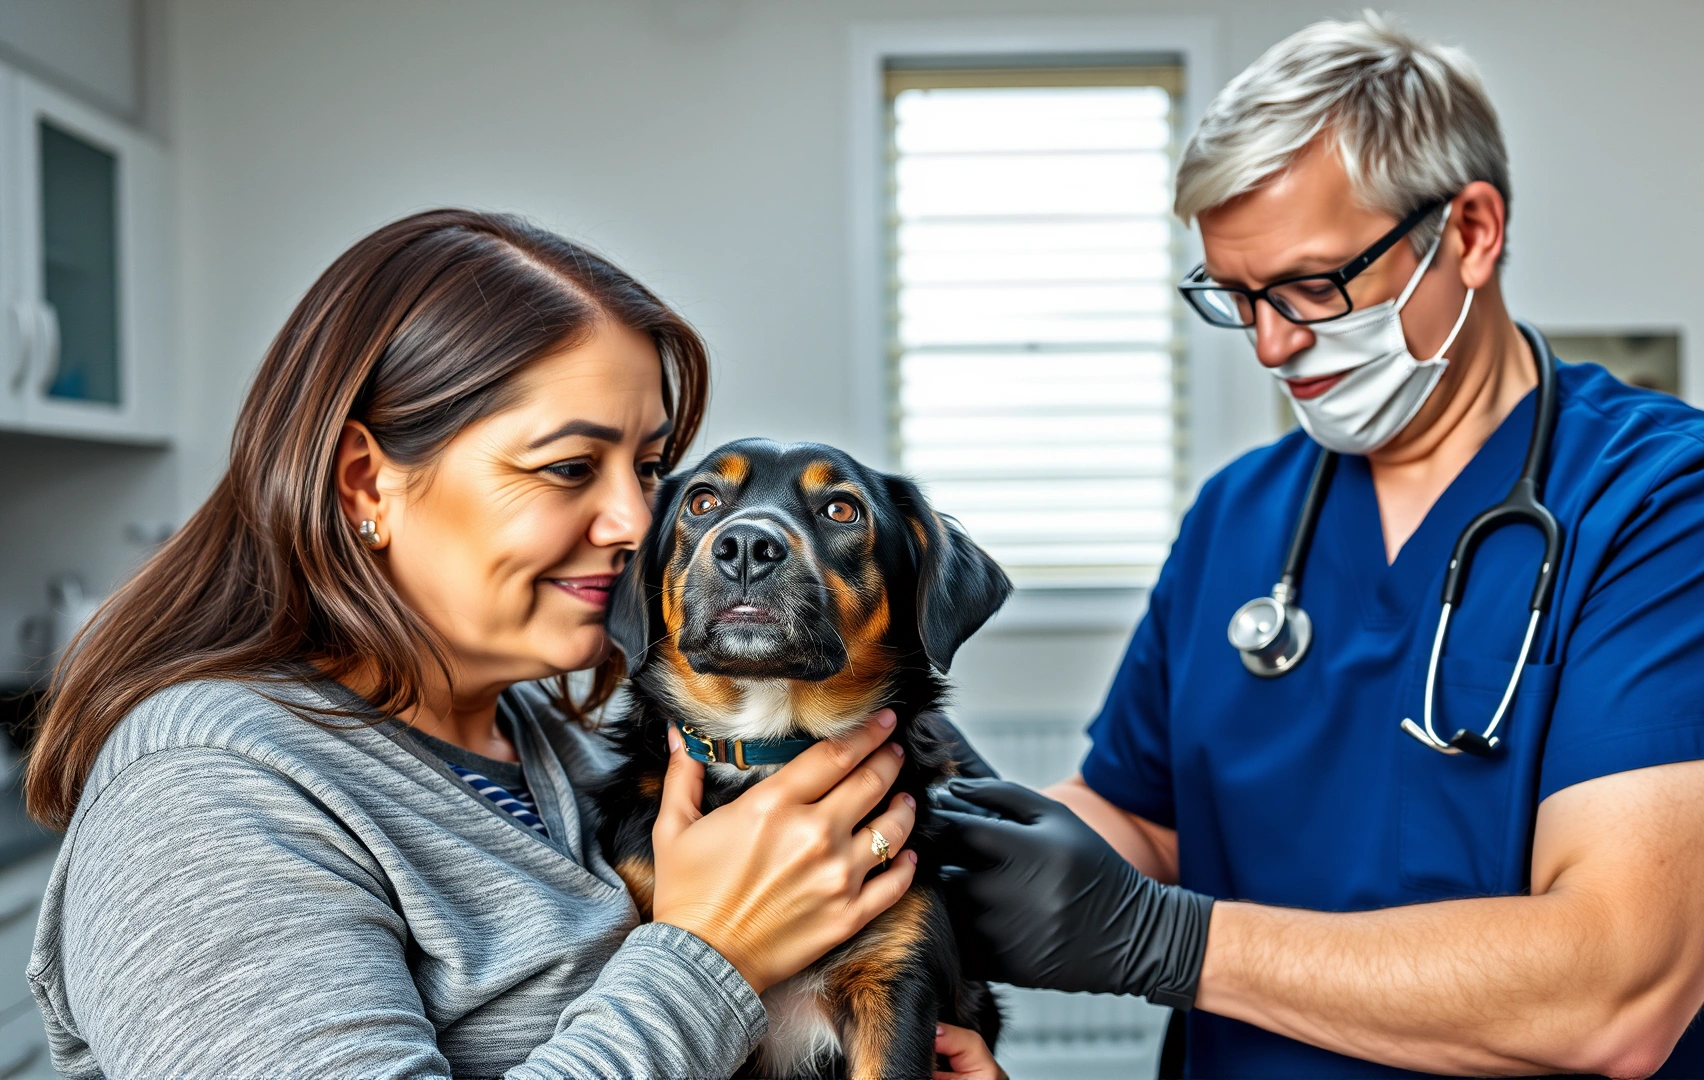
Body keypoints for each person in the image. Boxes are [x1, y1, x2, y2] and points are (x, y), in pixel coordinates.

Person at [932, 15, 1704, 1079]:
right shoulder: (1240, 515)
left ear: (1470, 233)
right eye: (1238, 297)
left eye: (1314, 286)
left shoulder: (1690, 507)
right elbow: (1141, 817)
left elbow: (1614, 990)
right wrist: (975, 841)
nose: (1273, 344)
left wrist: (1164, 940)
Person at [23, 209, 1000, 1078]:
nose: (636, 520)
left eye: (652, 467)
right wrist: (713, 959)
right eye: (571, 466)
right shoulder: (204, 799)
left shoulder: (562, 747)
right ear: (368, 483)